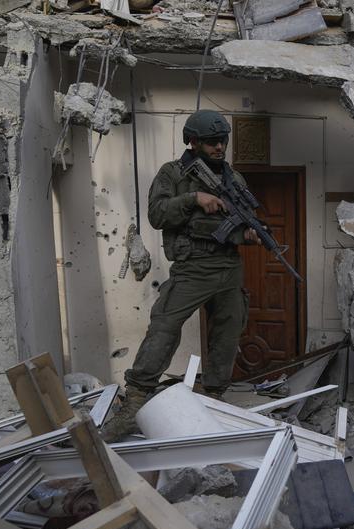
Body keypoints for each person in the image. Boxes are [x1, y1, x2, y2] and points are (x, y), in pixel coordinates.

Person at [103, 109, 259, 441]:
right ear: (193, 142)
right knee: (164, 328)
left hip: (228, 266)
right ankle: (134, 402)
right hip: (192, 267)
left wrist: (247, 234)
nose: (220, 147)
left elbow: (241, 222)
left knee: (228, 332)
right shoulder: (173, 174)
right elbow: (157, 215)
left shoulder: (235, 179)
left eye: (222, 141)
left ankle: (214, 397)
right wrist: (193, 198)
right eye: (212, 142)